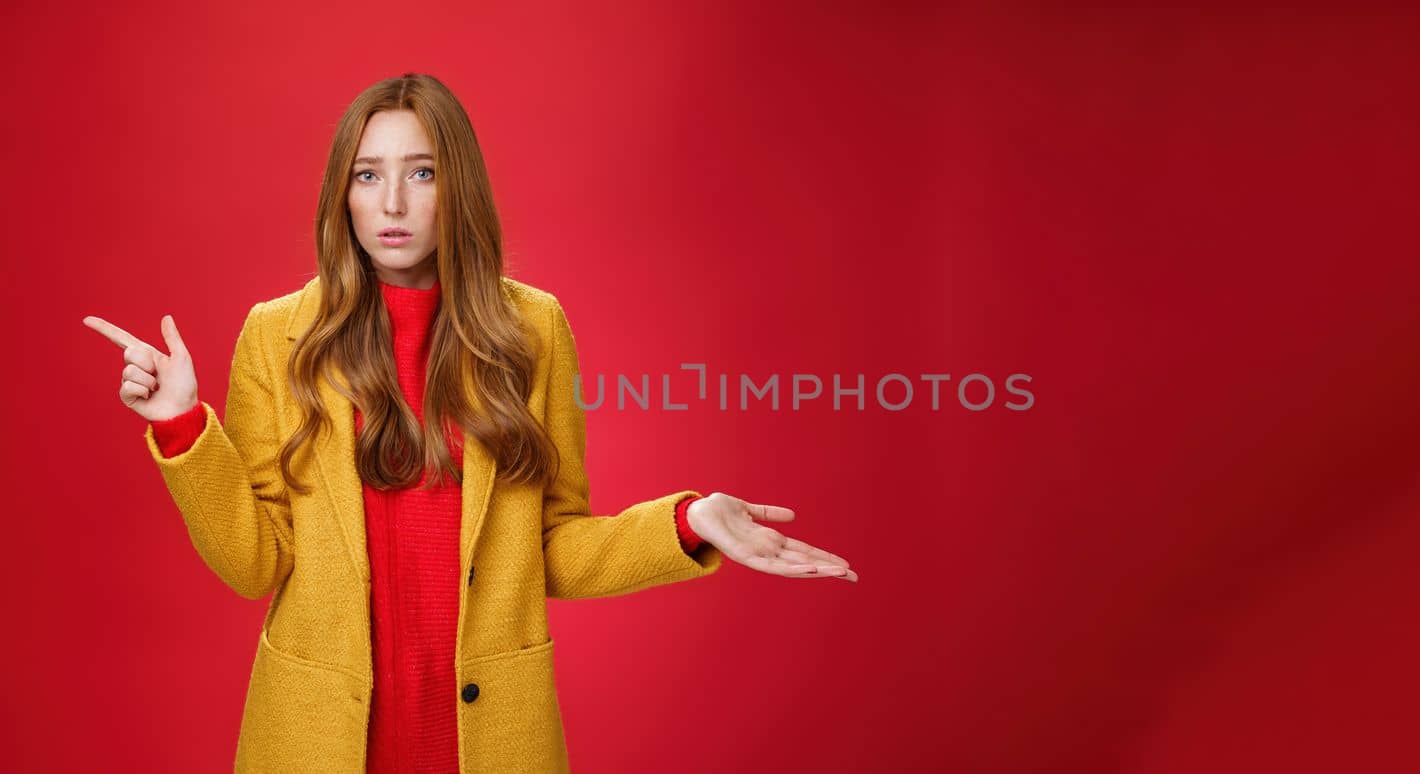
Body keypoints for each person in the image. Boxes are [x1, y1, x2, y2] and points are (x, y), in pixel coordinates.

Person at [83, 72, 858, 773]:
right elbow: (254, 563)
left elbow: (551, 548)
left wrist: (690, 521)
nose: (392, 204)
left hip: (492, 746)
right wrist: (183, 425)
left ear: (459, 188)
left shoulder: (534, 330)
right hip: (317, 743)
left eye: (421, 173)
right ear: (341, 194)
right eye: (368, 175)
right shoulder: (277, 335)